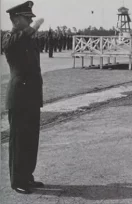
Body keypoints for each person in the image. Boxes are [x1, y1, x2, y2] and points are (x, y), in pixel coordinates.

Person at [2, 1, 45, 194]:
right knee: (18, 140)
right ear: (16, 19)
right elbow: (13, 44)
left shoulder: (28, 38)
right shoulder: (10, 37)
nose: (29, 22)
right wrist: (32, 29)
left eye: (30, 19)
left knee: (30, 138)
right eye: (26, 18)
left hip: (32, 96)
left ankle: (27, 175)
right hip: (18, 97)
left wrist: (31, 31)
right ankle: (17, 180)